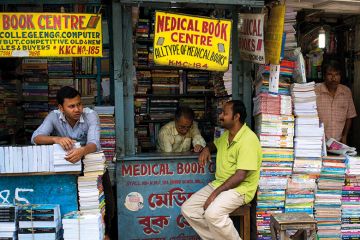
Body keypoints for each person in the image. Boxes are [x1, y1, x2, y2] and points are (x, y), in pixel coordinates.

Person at [31, 86, 114, 239]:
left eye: (79, 104)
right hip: (68, 169)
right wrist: (56, 139)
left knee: (105, 206)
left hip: (93, 166)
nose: (77, 109)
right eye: (71, 106)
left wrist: (81, 151)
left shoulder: (91, 115)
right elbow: (36, 138)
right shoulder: (53, 116)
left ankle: (105, 233)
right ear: (60, 108)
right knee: (74, 206)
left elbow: (94, 143)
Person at [181, 100, 262, 240]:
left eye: (225, 113)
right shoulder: (226, 135)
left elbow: (240, 176)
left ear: (236, 117)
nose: (220, 116)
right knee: (188, 209)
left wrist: (214, 194)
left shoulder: (248, 139)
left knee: (213, 213)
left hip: (240, 189)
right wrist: (207, 148)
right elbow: (215, 144)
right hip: (220, 184)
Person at [315, 60, 357, 144]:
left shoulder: (346, 92)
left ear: (340, 76)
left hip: (339, 142)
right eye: (330, 74)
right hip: (319, 141)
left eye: (337, 74)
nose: (333, 78)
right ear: (324, 76)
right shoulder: (315, 91)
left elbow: (349, 116)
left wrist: (344, 136)